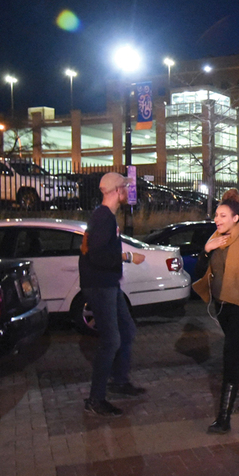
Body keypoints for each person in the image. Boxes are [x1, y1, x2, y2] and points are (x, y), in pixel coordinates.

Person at [193, 189, 239, 434]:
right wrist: (206, 249)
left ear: (235, 218)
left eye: (223, 215)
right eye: (216, 215)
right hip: (222, 306)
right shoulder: (215, 238)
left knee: (231, 355)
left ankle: (223, 418)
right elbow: (200, 272)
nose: (218, 219)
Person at [79, 172, 146, 417]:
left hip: (108, 284)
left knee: (126, 331)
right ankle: (96, 399)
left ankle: (119, 380)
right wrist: (128, 257)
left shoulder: (103, 216)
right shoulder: (104, 217)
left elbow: (91, 249)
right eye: (126, 188)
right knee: (111, 340)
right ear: (117, 190)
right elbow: (95, 254)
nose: (129, 192)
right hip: (100, 286)